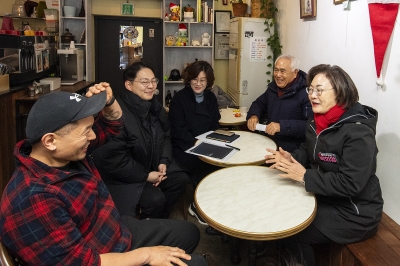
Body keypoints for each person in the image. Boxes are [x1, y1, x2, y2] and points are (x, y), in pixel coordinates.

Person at [0, 84, 207, 266]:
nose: (92, 135)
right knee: (197, 263)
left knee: (190, 233)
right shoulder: (33, 199)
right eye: (86, 131)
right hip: (103, 256)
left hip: (112, 231)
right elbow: (86, 263)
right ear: (50, 141)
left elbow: (111, 125)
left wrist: (109, 101)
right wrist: (147, 255)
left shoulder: (62, 153)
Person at [265, 64, 383, 266]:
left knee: (294, 229)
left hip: (355, 211)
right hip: (326, 196)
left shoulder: (358, 133)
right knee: (280, 207)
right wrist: (291, 158)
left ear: (340, 92)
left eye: (319, 90)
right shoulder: (317, 120)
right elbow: (307, 149)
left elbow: (351, 183)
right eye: (310, 89)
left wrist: (304, 176)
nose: (312, 95)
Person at [92, 62, 189, 220]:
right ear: (129, 85)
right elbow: (113, 160)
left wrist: (164, 161)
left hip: (151, 166)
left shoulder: (153, 107)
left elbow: (166, 134)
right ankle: (149, 226)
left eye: (153, 81)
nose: (151, 86)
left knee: (180, 179)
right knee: (155, 199)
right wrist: (146, 175)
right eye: (144, 82)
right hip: (126, 176)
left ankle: (160, 221)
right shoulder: (117, 114)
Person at [168, 60, 221, 225]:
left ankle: (213, 203)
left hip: (205, 143)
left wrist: (212, 141)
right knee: (202, 165)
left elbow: (214, 124)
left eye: (203, 80)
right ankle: (197, 207)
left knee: (222, 162)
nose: (198, 84)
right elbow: (178, 130)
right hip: (185, 146)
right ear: (189, 79)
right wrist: (197, 143)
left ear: (208, 82)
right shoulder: (179, 99)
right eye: (195, 79)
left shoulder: (211, 98)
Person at [246, 54, 313, 152]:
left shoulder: (307, 93)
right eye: (276, 70)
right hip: (269, 142)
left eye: (282, 71)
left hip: (292, 150)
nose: (278, 75)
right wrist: (254, 115)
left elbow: (310, 126)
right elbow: (259, 103)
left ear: (295, 73)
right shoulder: (273, 88)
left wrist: (282, 126)